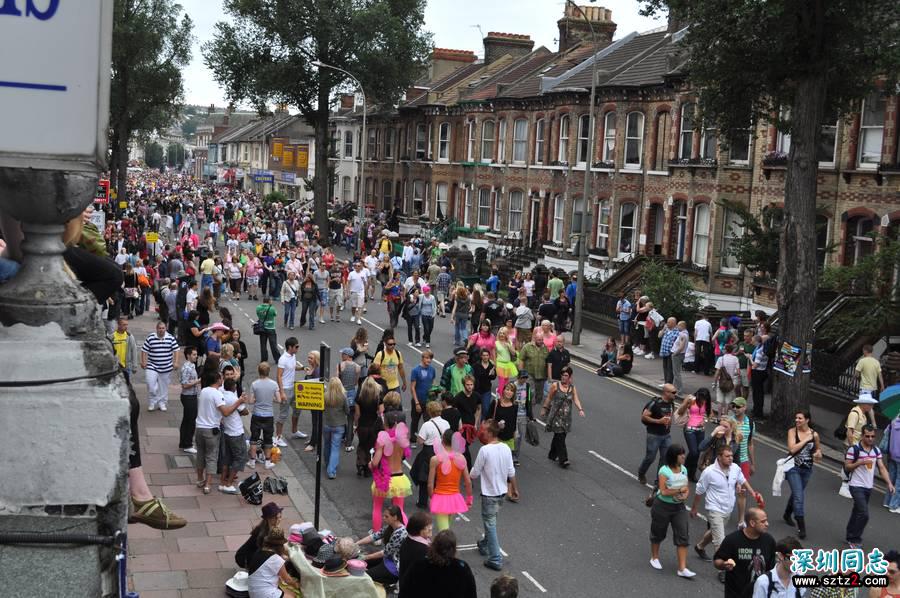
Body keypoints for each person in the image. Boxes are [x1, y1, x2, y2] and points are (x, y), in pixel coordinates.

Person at [692, 446, 763, 574]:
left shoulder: (735, 468)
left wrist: (754, 493)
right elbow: (699, 490)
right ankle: (723, 570)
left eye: (731, 456)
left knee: (714, 531)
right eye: (727, 456)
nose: (731, 458)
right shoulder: (709, 472)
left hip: (727, 509)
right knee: (720, 541)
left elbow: (743, 480)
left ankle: (700, 546)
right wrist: (694, 508)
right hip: (714, 508)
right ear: (719, 457)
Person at [471, 419, 518, 571]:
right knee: (491, 521)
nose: (481, 433)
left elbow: (475, 473)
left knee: (490, 525)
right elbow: (511, 472)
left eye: (483, 431)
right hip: (502, 493)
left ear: (490, 433)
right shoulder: (505, 448)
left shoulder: (484, 450)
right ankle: (484, 544)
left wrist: (466, 474)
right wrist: (514, 488)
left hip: (489, 494)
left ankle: (496, 558)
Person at [195, 370, 246, 495]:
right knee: (211, 457)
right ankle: (208, 484)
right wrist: (239, 402)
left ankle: (200, 479)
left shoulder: (203, 391)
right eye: (221, 378)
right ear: (217, 380)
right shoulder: (217, 394)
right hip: (211, 430)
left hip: (199, 428)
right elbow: (226, 412)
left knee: (200, 454)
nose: (222, 380)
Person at [648, 444, 696, 578]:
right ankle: (654, 557)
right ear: (674, 457)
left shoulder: (684, 469)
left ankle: (682, 568)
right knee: (658, 532)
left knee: (683, 535)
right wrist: (679, 490)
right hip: (662, 506)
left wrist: (685, 494)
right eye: (681, 454)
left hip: (679, 507)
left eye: (683, 454)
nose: (683, 456)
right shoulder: (664, 471)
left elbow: (686, 488)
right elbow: (663, 491)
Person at [845, 424, 895, 548]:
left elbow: (882, 468)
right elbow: (847, 466)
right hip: (856, 485)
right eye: (867, 436)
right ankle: (854, 539)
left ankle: (850, 534)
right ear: (862, 436)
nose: (870, 439)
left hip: (868, 487)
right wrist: (860, 462)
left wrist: (889, 483)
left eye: (873, 436)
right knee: (864, 513)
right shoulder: (854, 449)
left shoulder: (876, 450)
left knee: (857, 511)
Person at [714, 508, 776, 598]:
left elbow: (772, 568)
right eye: (763, 522)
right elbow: (717, 561)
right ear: (752, 523)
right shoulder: (732, 540)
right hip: (736, 594)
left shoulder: (769, 541)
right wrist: (724, 565)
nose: (767, 524)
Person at [781, 411, 822, 540]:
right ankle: (801, 527)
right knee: (799, 496)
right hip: (793, 468)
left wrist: (818, 454)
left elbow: (818, 450)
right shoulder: (792, 432)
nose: (797, 420)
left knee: (796, 494)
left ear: (807, 420)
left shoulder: (814, 434)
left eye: (800, 418)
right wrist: (806, 439)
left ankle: (787, 513)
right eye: (796, 418)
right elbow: (792, 449)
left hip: (807, 469)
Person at [402, 529, 477, 598]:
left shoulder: (418, 565)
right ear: (453, 549)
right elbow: (471, 594)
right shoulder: (462, 568)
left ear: (433, 545)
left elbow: (405, 591)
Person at [370, 411, 412, 530]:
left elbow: (375, 463)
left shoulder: (382, 440)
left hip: (384, 479)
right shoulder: (402, 440)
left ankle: (376, 536)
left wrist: (370, 464)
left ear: (386, 424)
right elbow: (404, 454)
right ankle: (407, 533)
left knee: (377, 507)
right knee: (399, 509)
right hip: (399, 478)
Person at [541, 367, 585, 468]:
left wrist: (580, 409)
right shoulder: (555, 386)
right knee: (560, 437)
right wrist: (544, 408)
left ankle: (552, 454)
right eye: (562, 375)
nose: (563, 377)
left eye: (566, 375)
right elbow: (549, 398)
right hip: (556, 416)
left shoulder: (572, 388)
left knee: (559, 436)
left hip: (566, 418)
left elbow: (576, 399)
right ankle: (563, 460)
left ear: (570, 377)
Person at [411, 400, 451, 508]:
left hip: (428, 452)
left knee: (424, 477)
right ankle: (439, 500)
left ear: (429, 411)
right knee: (438, 477)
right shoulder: (446, 423)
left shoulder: (427, 425)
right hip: (441, 451)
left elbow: (420, 441)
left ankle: (423, 502)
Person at [358, 504, 407, 586]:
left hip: (394, 567)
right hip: (386, 559)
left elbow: (384, 552)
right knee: (361, 564)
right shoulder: (390, 526)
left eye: (386, 516)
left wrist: (365, 557)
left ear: (395, 517)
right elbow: (374, 536)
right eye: (383, 516)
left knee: (365, 576)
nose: (383, 518)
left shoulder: (401, 533)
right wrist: (356, 543)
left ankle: (391, 581)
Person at [638, 384, 676, 485]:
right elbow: (644, 417)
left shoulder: (671, 403)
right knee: (650, 457)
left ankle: (659, 481)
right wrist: (659, 421)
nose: (675, 394)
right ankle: (641, 473)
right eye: (673, 392)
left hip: (666, 435)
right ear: (666, 393)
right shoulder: (654, 403)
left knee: (665, 458)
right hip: (654, 435)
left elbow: (670, 416)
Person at [218, 377, 250, 494]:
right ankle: (229, 483)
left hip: (226, 432)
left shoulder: (221, 395)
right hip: (236, 432)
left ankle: (222, 483)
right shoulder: (233, 398)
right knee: (240, 458)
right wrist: (242, 401)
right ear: (234, 387)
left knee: (227, 458)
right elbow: (245, 411)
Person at [247, 528, 301, 597]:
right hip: (263, 594)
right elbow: (288, 580)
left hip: (253, 592)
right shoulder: (276, 559)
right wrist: (297, 585)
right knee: (292, 595)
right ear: (280, 546)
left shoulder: (259, 552)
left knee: (288, 592)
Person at [274, 337, 307, 448]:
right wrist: (282, 392)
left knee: (298, 409)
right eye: (296, 346)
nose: (298, 348)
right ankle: (277, 437)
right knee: (283, 414)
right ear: (290, 347)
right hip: (286, 389)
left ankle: (294, 431)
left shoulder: (293, 356)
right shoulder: (283, 359)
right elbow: (278, 376)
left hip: (293, 387)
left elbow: (292, 368)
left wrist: (302, 368)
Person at [140, 320, 180, 411]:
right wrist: (143, 361)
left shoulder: (170, 338)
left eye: (163, 328)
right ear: (156, 329)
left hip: (166, 366)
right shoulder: (151, 337)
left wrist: (176, 362)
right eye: (159, 328)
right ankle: (152, 401)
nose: (161, 330)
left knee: (164, 387)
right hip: (152, 365)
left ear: (165, 329)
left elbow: (176, 350)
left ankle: (162, 403)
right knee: (150, 384)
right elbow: (144, 350)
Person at [676, 388, 711, 482]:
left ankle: (692, 474)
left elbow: (710, 414)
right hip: (689, 429)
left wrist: (705, 421)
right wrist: (686, 404)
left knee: (697, 452)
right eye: (702, 398)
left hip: (700, 430)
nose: (703, 400)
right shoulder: (690, 399)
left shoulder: (706, 402)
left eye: (705, 398)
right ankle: (684, 471)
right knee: (694, 452)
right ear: (698, 395)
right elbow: (680, 412)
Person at [248, 362, 278, 470]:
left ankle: (252, 461)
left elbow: (251, 401)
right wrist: (271, 398)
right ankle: (267, 461)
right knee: (268, 438)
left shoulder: (254, 384)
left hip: (257, 414)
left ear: (258, 371)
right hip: (269, 415)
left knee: (254, 438)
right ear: (269, 371)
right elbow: (278, 399)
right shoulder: (274, 384)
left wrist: (257, 399)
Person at [235, 502, 282, 569]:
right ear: (268, 519)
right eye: (276, 518)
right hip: (244, 559)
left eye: (280, 517)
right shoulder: (263, 533)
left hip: (251, 554)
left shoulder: (269, 527)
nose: (279, 520)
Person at [397, 512, 434, 596]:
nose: (431, 528)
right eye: (428, 527)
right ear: (419, 530)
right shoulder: (423, 549)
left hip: (405, 587)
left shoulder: (409, 540)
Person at [410, 350, 437, 447]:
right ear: (422, 358)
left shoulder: (432, 370)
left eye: (430, 358)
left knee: (428, 421)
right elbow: (412, 387)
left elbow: (432, 383)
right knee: (415, 420)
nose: (429, 360)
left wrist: (434, 392)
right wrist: (416, 402)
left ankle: (427, 439)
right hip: (418, 400)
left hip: (428, 401)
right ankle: (413, 440)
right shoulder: (415, 370)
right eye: (427, 358)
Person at [322, 377, 349, 479]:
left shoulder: (325, 396)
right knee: (335, 448)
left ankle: (327, 462)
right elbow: (347, 411)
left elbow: (322, 409)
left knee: (327, 444)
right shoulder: (343, 397)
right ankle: (331, 470)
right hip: (339, 425)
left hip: (327, 424)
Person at [355, 376, 382, 477]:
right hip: (373, 426)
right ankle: (367, 468)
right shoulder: (377, 397)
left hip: (362, 425)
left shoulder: (359, 397)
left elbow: (357, 414)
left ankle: (360, 463)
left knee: (362, 445)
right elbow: (380, 412)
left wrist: (355, 425)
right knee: (371, 447)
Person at [337, 347, 361, 452]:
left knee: (340, 416)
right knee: (350, 418)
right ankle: (348, 442)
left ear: (347, 356)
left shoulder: (340, 365)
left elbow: (336, 380)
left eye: (343, 354)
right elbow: (356, 382)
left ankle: (340, 436)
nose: (341, 356)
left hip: (342, 393)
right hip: (352, 394)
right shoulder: (357, 367)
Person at [178, 346, 201, 454]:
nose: (196, 356)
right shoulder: (187, 368)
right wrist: (198, 381)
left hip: (191, 396)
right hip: (188, 397)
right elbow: (184, 385)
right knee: (190, 421)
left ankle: (184, 442)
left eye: (196, 354)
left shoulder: (191, 366)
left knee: (187, 420)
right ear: (188, 355)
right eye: (194, 354)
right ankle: (187, 444)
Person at [373, 332, 407, 397]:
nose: (392, 346)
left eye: (394, 344)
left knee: (397, 405)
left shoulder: (398, 354)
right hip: (383, 386)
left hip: (395, 385)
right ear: (385, 344)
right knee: (383, 405)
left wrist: (404, 382)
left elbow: (401, 368)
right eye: (390, 344)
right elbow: (374, 370)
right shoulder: (380, 355)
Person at [511, 372, 534, 466]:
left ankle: (515, 457)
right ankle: (510, 455)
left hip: (523, 415)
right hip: (513, 414)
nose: (523, 380)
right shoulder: (512, 385)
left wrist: (530, 416)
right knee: (515, 437)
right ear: (518, 377)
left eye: (525, 378)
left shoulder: (527, 386)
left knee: (520, 437)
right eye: (522, 378)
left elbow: (529, 401)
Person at [714, 344, 740, 417]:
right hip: (731, 383)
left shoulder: (720, 359)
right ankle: (725, 417)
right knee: (728, 402)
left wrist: (714, 383)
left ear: (725, 350)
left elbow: (717, 372)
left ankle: (719, 417)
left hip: (721, 382)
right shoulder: (735, 359)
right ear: (732, 350)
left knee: (719, 401)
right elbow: (738, 372)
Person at [111, 316, 138, 383]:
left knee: (126, 384)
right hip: (115, 367)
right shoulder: (112, 337)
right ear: (119, 325)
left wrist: (134, 366)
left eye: (127, 325)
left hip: (126, 367)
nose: (126, 327)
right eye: (124, 325)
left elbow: (134, 351)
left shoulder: (129, 337)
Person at [472, 347, 497, 418]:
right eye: (484, 355)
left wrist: (492, 374)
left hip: (486, 390)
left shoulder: (491, 366)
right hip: (477, 390)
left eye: (487, 355)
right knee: (476, 408)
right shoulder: (476, 365)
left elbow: (493, 377)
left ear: (489, 356)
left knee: (485, 409)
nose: (485, 357)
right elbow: (472, 377)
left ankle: (482, 425)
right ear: (481, 356)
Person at [884, 412, 900, 514]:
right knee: (899, 482)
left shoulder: (894, 420)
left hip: (892, 454)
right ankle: (894, 505)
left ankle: (887, 501)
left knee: (891, 478)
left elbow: (886, 433)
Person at [255, 296, 280, 363]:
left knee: (263, 345)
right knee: (273, 344)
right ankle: (277, 359)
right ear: (269, 301)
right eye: (271, 300)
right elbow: (275, 314)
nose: (272, 301)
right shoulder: (272, 308)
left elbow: (258, 314)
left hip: (262, 328)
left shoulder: (258, 308)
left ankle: (264, 359)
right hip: (271, 328)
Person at [750, 334, 769, 419]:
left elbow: (755, 365)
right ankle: (756, 410)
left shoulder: (759, 351)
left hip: (758, 373)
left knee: (757, 393)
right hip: (762, 372)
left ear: (757, 342)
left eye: (753, 341)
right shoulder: (763, 349)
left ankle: (758, 413)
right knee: (758, 393)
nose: (752, 342)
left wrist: (750, 358)